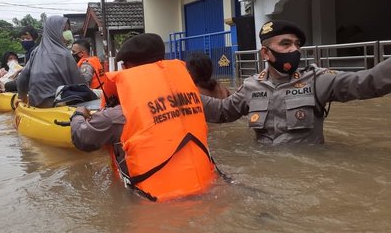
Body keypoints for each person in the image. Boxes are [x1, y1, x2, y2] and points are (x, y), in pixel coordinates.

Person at [70, 33, 220, 202]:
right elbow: (223, 110)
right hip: (207, 191)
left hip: (154, 206)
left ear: (129, 67)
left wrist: (78, 115)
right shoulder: (191, 98)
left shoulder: (119, 114)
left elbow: (82, 138)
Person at [201, 19, 391, 145]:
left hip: (309, 178)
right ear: (266, 53)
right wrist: (180, 95)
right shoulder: (251, 86)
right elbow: (222, 111)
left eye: (297, 44)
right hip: (266, 173)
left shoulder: (318, 80)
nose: (295, 50)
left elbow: (368, 82)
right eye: (285, 44)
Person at [17, 15, 85, 108]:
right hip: (57, 104)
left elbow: (22, 79)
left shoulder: (35, 52)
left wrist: (23, 98)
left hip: (35, 103)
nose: (68, 33)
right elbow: (81, 83)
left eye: (68, 29)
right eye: (64, 30)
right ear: (54, 32)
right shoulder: (64, 54)